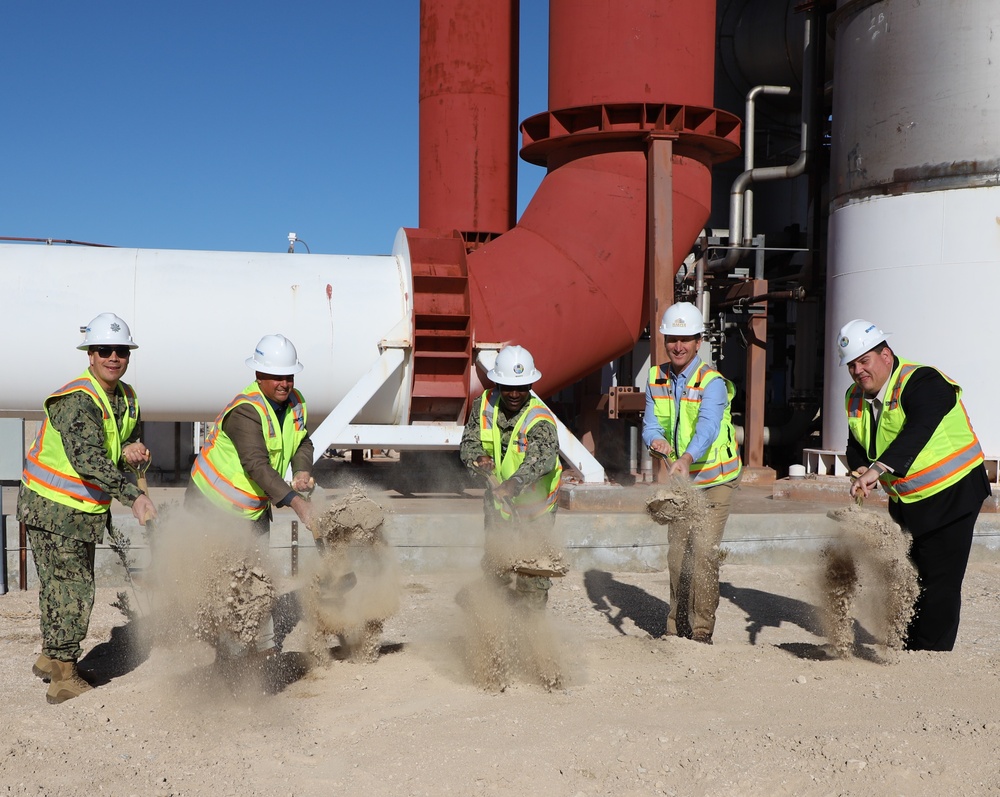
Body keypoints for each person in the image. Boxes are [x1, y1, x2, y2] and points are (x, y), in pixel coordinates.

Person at [18, 312, 156, 704]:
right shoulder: (78, 400)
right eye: (104, 350)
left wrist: (132, 446)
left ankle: (50, 657)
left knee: (59, 585)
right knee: (73, 589)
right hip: (53, 507)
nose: (114, 357)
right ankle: (63, 675)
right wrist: (135, 496)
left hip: (78, 509)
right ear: (90, 355)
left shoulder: (125, 396)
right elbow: (90, 461)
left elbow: (123, 436)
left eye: (121, 350)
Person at [838, 319, 991, 651]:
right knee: (913, 574)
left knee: (940, 580)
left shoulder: (923, 381)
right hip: (910, 500)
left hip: (954, 491)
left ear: (886, 355)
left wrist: (877, 470)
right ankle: (910, 642)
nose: (858, 370)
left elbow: (918, 430)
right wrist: (862, 466)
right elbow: (855, 445)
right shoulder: (855, 396)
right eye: (851, 364)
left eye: (864, 360)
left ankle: (931, 653)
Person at [185, 333, 315, 658]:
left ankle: (264, 649)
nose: (284, 383)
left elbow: (302, 442)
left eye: (288, 375)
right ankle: (232, 658)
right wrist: (297, 503)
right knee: (231, 582)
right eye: (276, 376)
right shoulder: (246, 412)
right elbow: (256, 465)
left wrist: (301, 470)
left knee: (259, 575)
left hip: (252, 507)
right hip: (213, 505)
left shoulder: (295, 403)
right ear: (259, 375)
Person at [642, 302, 742, 644]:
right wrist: (657, 443)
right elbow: (651, 424)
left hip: (715, 481)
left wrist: (685, 458)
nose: (678, 346)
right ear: (665, 340)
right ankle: (675, 627)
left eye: (686, 339)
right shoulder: (655, 378)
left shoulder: (711, 382)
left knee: (702, 552)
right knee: (676, 555)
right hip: (683, 482)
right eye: (672, 338)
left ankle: (701, 631)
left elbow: (708, 428)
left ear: (699, 342)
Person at [459, 345, 563, 609]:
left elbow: (540, 461)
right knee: (496, 573)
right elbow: (469, 442)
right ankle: (496, 631)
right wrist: (478, 459)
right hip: (498, 510)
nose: (514, 394)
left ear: (531, 384)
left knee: (532, 581)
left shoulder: (540, 420)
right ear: (496, 383)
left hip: (534, 514)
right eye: (508, 387)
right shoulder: (483, 405)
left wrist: (515, 483)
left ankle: (531, 639)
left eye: (522, 387)